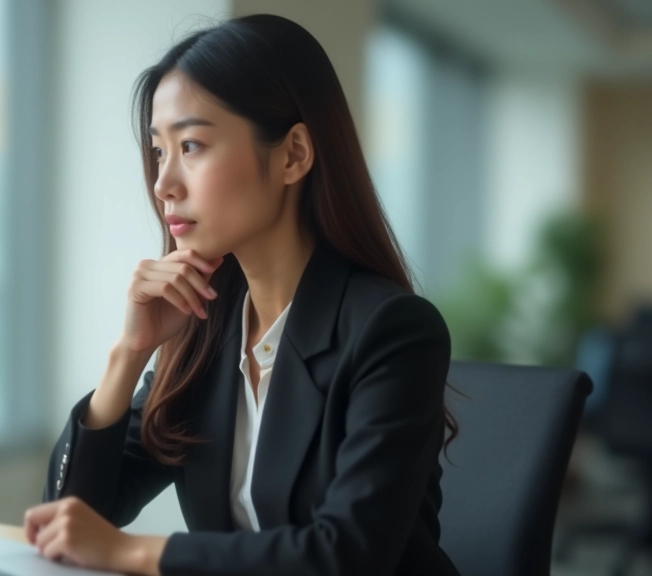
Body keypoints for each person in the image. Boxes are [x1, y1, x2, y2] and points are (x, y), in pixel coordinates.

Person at [23, 13, 461, 576]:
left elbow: (348, 554)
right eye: (159, 151)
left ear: (293, 155)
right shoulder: (206, 327)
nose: (163, 184)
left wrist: (131, 552)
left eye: (192, 145)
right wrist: (129, 353)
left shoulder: (391, 331)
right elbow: (74, 515)